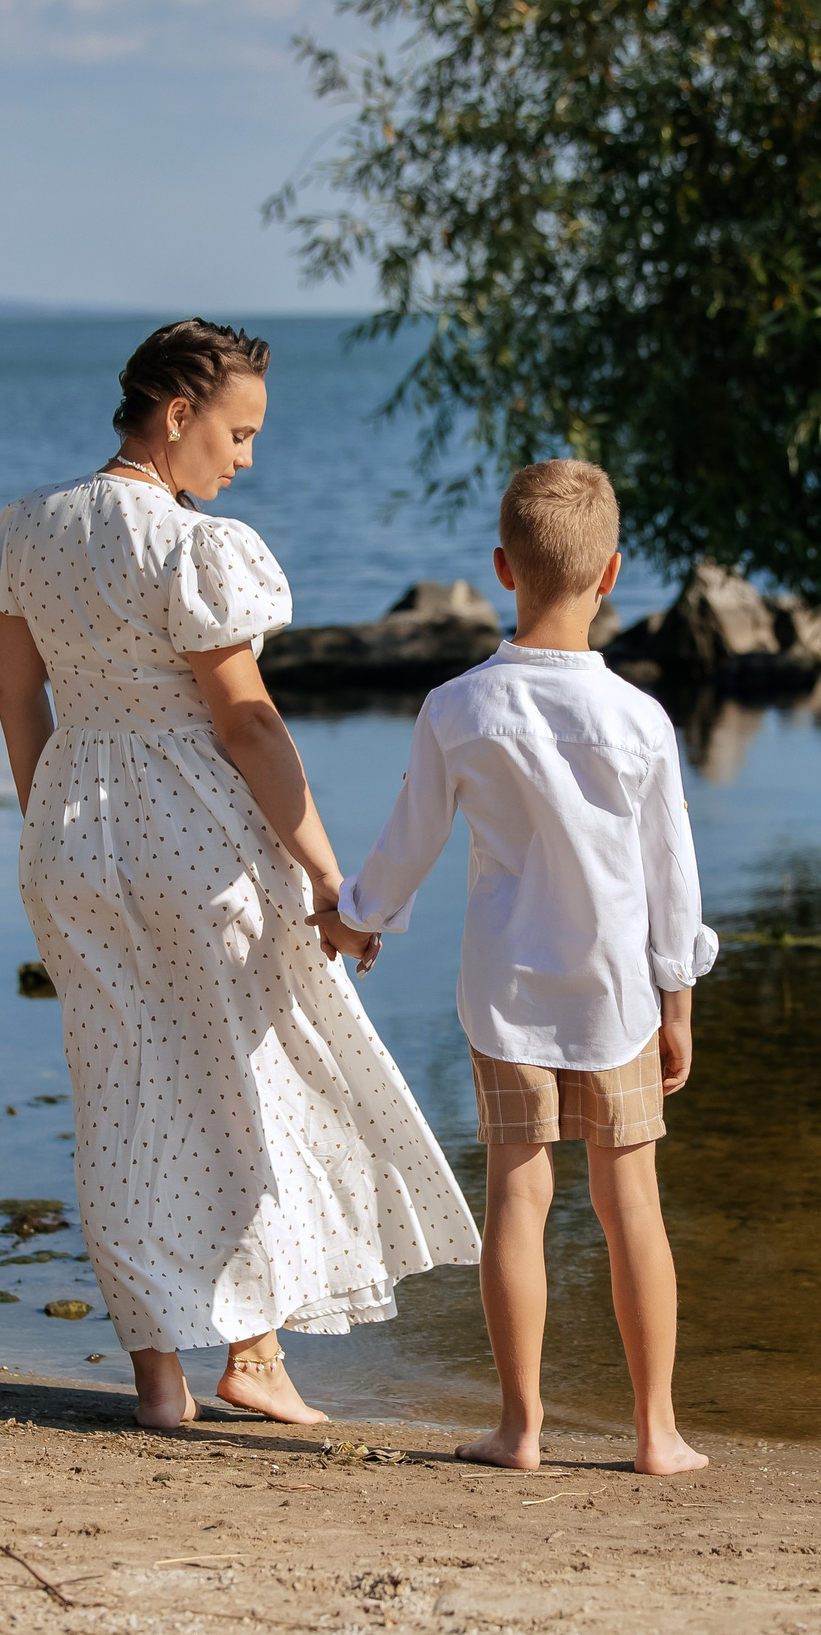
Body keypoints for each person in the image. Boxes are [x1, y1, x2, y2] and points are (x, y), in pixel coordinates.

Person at [0, 318, 480, 1430]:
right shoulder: (192, 546)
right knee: (257, 1083)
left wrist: (47, 815)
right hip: (193, 833)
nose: (246, 458)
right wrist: (334, 877)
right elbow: (244, 721)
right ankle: (254, 1349)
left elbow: (16, 695)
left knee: (121, 1092)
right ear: (177, 414)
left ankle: (161, 1377)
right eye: (237, 433)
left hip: (71, 831)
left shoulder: (26, 530)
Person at [337, 459, 716, 1476]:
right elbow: (670, 877)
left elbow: (409, 837)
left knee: (517, 1192)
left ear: (502, 566)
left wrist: (359, 917)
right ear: (612, 575)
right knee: (629, 1197)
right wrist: (678, 995)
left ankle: (521, 1426)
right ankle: (656, 1431)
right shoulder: (640, 719)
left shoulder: (458, 706)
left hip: (505, 993)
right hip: (619, 998)